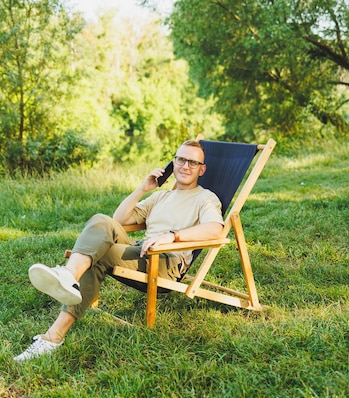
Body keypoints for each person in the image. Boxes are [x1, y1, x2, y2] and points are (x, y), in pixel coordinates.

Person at [14, 139, 225, 361]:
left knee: (99, 256)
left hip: (165, 262)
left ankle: (53, 337)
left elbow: (216, 229)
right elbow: (120, 220)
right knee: (102, 220)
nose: (185, 166)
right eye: (181, 159)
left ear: (202, 169)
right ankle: (69, 276)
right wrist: (143, 188)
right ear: (173, 163)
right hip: (142, 252)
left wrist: (172, 236)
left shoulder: (205, 198)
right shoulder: (161, 196)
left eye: (193, 162)